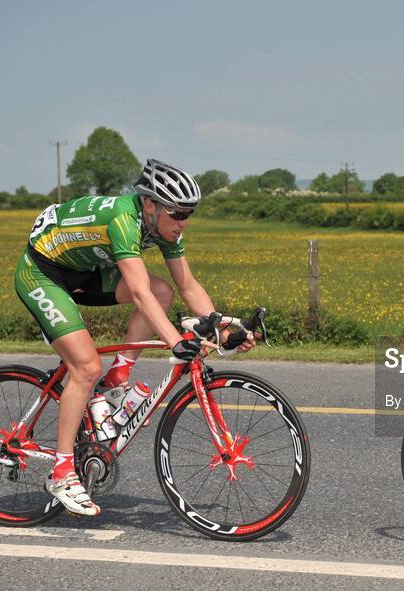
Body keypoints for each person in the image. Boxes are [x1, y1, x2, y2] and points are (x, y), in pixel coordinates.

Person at [14, 158, 253, 515]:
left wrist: (222, 331)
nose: (184, 222)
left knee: (164, 292)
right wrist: (176, 341)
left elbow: (187, 286)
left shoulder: (164, 227)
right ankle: (62, 472)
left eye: (189, 213)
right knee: (84, 367)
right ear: (150, 205)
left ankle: (118, 377)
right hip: (44, 274)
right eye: (178, 213)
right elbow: (138, 292)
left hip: (87, 272)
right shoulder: (124, 220)